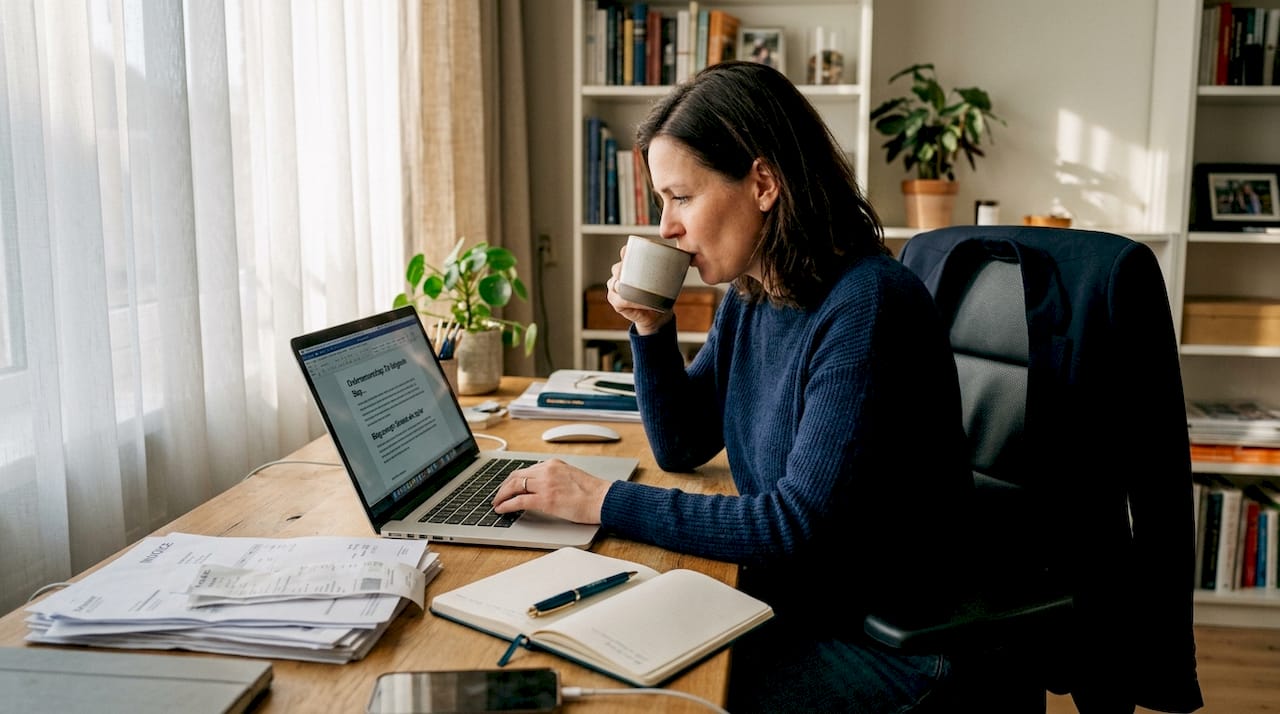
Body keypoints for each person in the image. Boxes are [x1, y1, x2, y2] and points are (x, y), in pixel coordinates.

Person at [493, 61, 972, 712]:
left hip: (885, 644)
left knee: (630, 697)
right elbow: (683, 442)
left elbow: (792, 524)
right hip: (796, 603)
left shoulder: (869, 308)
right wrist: (653, 324)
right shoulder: (754, 295)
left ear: (764, 184)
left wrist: (602, 499)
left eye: (680, 197)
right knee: (576, 646)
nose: (666, 226)